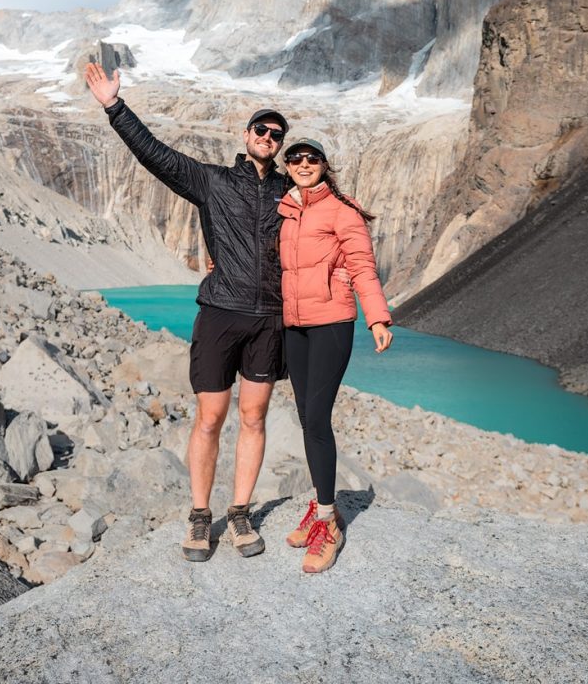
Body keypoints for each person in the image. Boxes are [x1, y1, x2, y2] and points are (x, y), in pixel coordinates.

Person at [84, 61, 289, 563]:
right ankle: (201, 517)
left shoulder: (291, 193)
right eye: (261, 130)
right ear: (247, 136)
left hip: (270, 319)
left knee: (255, 416)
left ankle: (239, 513)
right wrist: (115, 107)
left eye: (276, 134)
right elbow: (156, 156)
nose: (268, 137)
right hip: (221, 311)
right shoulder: (213, 182)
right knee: (210, 417)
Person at [278, 137, 392, 574]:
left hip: (331, 324)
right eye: (296, 158)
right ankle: (323, 503)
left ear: (324, 165)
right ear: (288, 165)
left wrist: (377, 318)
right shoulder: (286, 209)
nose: (303, 164)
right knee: (307, 417)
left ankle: (328, 521)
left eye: (312, 159)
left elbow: (362, 265)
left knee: (319, 419)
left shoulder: (343, 211)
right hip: (296, 326)